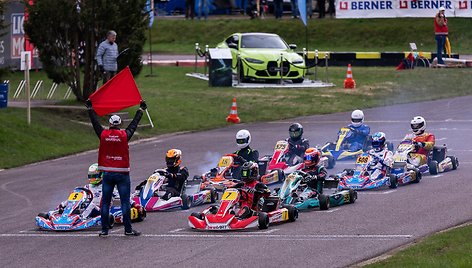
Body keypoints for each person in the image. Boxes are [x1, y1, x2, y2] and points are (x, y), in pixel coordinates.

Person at [86, 99, 147, 237]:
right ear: (119, 124)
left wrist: (90, 109)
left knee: (105, 202)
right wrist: (140, 110)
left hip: (107, 173)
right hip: (122, 174)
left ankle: (104, 230)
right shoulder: (124, 135)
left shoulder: (103, 135)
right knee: (125, 202)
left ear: (109, 124)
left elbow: (95, 124)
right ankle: (128, 230)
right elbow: (133, 126)